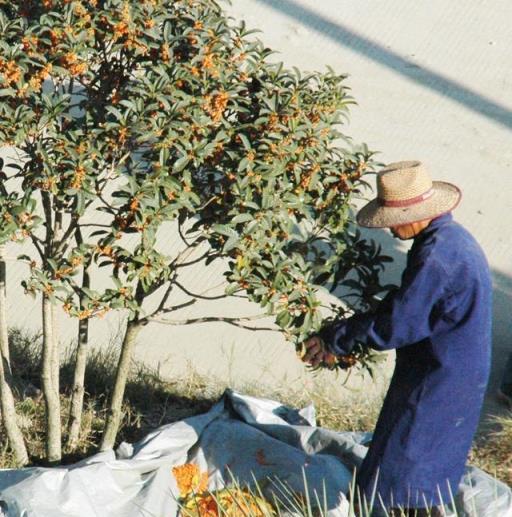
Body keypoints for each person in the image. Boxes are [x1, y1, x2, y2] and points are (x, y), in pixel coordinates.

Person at [301, 161, 492, 516]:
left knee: (396, 471)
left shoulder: (436, 258)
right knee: (428, 467)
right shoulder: (447, 239)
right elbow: (409, 305)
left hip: (438, 378)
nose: (387, 229)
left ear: (412, 214)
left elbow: (396, 326)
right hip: (452, 368)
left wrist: (337, 339)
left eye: (390, 220)